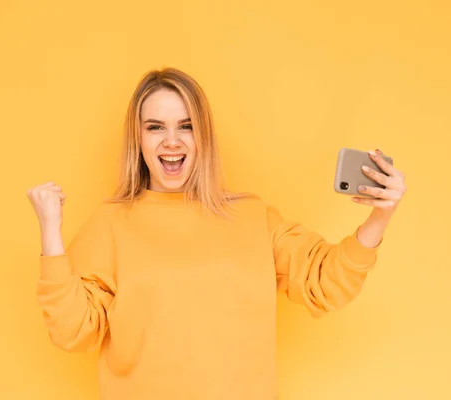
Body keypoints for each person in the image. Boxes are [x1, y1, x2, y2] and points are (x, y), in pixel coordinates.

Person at [26, 67, 407, 400]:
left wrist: (381, 215)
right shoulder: (109, 224)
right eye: (155, 127)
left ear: (204, 136)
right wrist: (50, 232)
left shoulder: (253, 217)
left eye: (186, 126)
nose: (171, 141)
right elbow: (72, 332)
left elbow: (327, 284)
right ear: (138, 139)